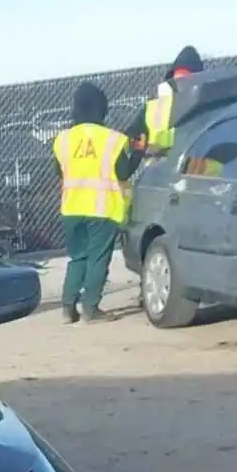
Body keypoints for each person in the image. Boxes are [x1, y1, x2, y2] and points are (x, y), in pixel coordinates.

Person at [52, 81, 141, 323]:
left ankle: (67, 308)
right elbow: (123, 173)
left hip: (71, 208)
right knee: (97, 259)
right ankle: (91, 308)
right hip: (102, 208)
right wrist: (139, 153)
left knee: (77, 257)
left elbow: (60, 172)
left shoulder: (62, 140)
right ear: (102, 109)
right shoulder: (113, 139)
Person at [128, 45, 205, 158]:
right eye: (178, 79)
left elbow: (131, 138)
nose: (181, 84)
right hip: (177, 170)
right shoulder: (205, 104)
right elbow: (131, 139)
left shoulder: (154, 105)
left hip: (160, 171)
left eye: (185, 78)